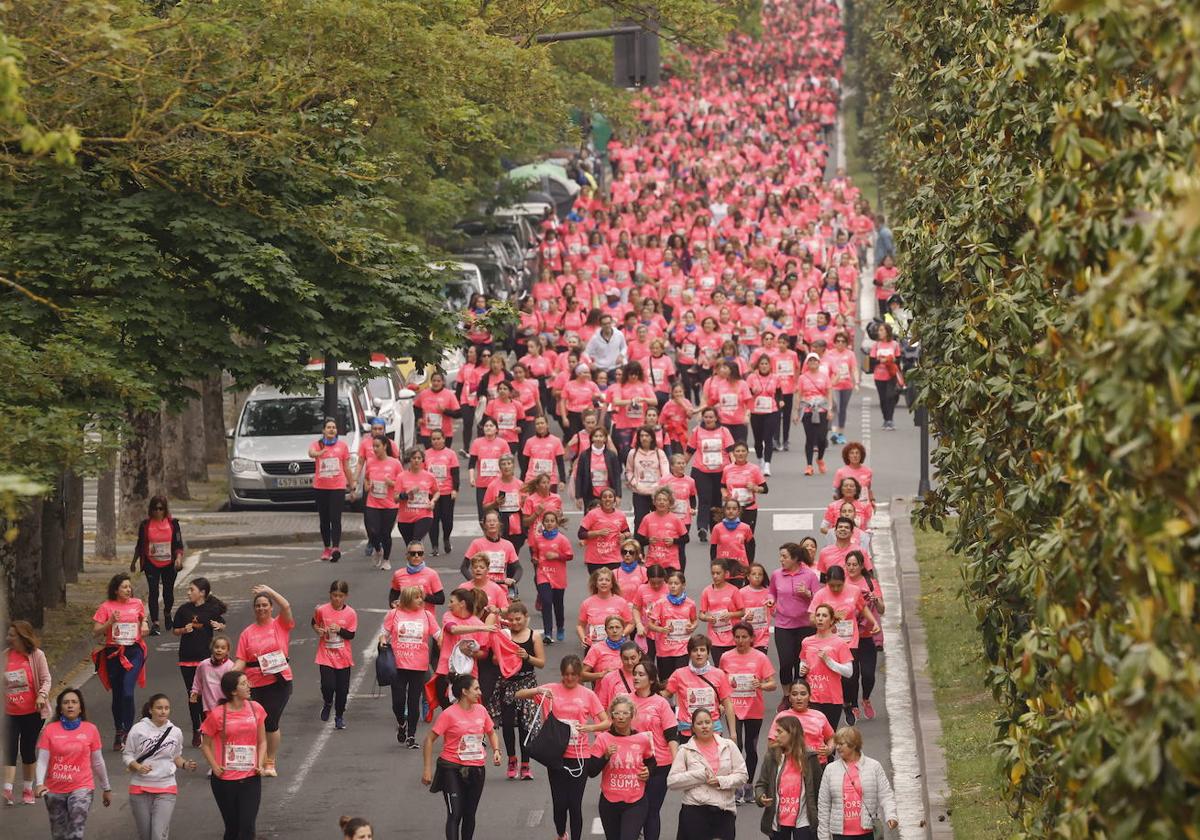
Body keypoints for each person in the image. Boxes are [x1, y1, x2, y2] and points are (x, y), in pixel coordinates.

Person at [516, 656, 610, 840]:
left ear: (579, 675)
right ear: (561, 674)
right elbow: (519, 694)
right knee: (560, 804)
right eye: (566, 675)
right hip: (556, 754)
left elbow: (606, 722)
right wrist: (538, 689)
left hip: (579, 754)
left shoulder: (587, 695)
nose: (569, 679)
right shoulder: (551, 690)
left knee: (574, 804)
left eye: (574, 675)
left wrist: (590, 728)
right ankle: (561, 833)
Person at [422, 673, 502, 840]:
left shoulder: (481, 710)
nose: (480, 692)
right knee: (455, 813)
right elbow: (429, 739)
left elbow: (491, 733)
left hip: (476, 769)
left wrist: (496, 750)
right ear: (465, 692)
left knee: (469, 814)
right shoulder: (449, 714)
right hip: (451, 768)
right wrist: (427, 769)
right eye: (476, 689)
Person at [232, 584, 294, 776]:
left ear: (271, 607)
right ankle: (255, 761)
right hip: (254, 684)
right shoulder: (247, 633)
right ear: (254, 609)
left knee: (271, 721)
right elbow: (242, 660)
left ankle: (270, 761)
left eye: (265, 605)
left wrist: (269, 590)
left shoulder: (280, 624)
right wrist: (230, 675)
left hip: (278, 682)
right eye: (258, 605)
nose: (261, 608)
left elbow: (286, 607)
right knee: (256, 723)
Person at [35, 688, 111, 839]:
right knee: (59, 834)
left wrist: (106, 787)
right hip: (54, 789)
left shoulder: (90, 729)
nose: (70, 705)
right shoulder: (50, 730)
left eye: (74, 702)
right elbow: (42, 760)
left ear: (80, 707)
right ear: (60, 708)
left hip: (82, 788)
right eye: (66, 703)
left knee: (76, 830)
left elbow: (97, 761)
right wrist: (39, 784)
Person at [199, 671, 267, 840]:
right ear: (233, 691)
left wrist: (260, 763)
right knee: (232, 828)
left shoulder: (256, 708)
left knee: (247, 827)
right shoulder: (217, 714)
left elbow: (263, 741)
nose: (249, 685)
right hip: (225, 781)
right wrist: (214, 767)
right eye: (244, 683)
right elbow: (205, 744)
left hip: (250, 777)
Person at [123, 693, 197, 840]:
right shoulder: (138, 729)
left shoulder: (175, 732)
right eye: (159, 708)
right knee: (145, 835)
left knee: (158, 835)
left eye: (166, 708)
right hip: (140, 788)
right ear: (150, 710)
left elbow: (176, 756)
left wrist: (185, 764)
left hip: (166, 787)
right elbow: (127, 755)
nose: (163, 711)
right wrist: (137, 766)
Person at [666, 707, 748, 840]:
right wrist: (700, 775)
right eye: (699, 723)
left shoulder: (728, 746)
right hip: (695, 808)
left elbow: (742, 775)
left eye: (707, 722)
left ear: (713, 724)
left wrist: (720, 781)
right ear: (692, 728)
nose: (704, 726)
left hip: (724, 808)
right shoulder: (685, 750)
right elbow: (672, 782)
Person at [721, 621, 777, 804]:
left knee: (751, 748)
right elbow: (720, 682)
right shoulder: (726, 657)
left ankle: (749, 786)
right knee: (736, 747)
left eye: (744, 637)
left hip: (754, 709)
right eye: (737, 637)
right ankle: (737, 786)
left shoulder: (760, 658)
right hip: (733, 709)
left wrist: (760, 684)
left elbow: (772, 684)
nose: (740, 640)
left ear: (752, 638)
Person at [92, 572, 149, 751]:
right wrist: (110, 622)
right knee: (117, 694)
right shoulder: (106, 606)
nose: (128, 589)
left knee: (127, 691)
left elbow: (143, 618)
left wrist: (145, 624)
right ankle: (119, 731)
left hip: (134, 651)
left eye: (129, 586)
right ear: (116, 590)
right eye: (124, 587)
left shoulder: (137, 603)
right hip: (113, 652)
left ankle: (129, 732)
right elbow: (96, 631)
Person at [488, 603, 545, 780]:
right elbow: (495, 660)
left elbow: (541, 662)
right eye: (511, 620)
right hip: (507, 685)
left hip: (528, 684)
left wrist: (526, 657)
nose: (515, 623)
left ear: (526, 617)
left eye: (518, 619)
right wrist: (505, 656)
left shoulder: (534, 636)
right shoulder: (504, 636)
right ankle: (512, 760)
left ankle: (526, 764)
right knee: (507, 724)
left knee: (525, 725)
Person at [588, 695, 656, 840]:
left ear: (632, 715)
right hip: (609, 801)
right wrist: (605, 756)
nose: (620, 717)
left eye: (625, 713)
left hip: (636, 801)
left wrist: (648, 771)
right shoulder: (603, 739)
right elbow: (591, 771)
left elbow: (652, 762)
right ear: (611, 715)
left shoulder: (642, 739)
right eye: (617, 713)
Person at [380, 585, 440, 748]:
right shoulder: (394, 614)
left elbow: (438, 636)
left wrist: (446, 651)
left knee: (414, 701)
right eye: (417, 597)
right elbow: (383, 634)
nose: (421, 600)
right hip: (398, 665)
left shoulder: (427, 615)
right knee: (398, 702)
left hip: (419, 665)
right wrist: (383, 643)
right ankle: (402, 723)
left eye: (421, 597)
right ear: (407, 599)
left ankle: (411, 736)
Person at [171, 577, 227, 747]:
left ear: (202, 593)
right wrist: (183, 630)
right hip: (187, 658)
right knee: (193, 694)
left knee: (207, 694)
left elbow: (222, 624)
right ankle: (197, 729)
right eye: (188, 590)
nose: (188, 592)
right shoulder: (183, 609)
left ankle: (207, 727)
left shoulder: (211, 609)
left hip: (205, 659)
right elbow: (174, 630)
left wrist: (219, 626)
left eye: (191, 590)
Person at [816, 727, 899, 840]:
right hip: (840, 835)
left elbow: (886, 794)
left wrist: (891, 815)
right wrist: (823, 835)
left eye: (842, 744)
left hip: (868, 833)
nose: (838, 747)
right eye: (837, 744)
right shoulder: (830, 769)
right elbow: (824, 804)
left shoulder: (874, 766)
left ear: (854, 744)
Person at [630, 661, 678, 840]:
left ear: (651, 680)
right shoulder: (626, 700)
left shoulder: (661, 703)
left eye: (641, 674)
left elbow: (672, 735)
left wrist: (677, 765)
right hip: (632, 766)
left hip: (660, 765)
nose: (636, 677)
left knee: (651, 811)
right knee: (634, 812)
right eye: (635, 674)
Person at [4, 620, 50, 806]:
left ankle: (27, 788)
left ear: (23, 637)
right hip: (10, 712)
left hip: (33, 711)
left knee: (27, 749)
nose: (8, 638)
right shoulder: (5, 656)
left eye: (12, 635)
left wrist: (41, 696)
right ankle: (7, 789)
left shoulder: (37, 655)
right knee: (10, 748)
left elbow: (46, 679)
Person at [770, 544, 821, 705]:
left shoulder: (810, 575)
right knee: (786, 662)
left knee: (801, 664)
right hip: (783, 625)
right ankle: (786, 695)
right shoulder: (777, 575)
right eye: (780, 556)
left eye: (784, 557)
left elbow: (819, 599)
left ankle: (799, 696)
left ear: (795, 559)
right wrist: (771, 600)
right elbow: (772, 592)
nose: (781, 560)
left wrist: (807, 594)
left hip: (805, 625)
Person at [753, 716, 818, 840]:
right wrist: (761, 797)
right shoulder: (771, 757)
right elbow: (761, 784)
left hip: (804, 820)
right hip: (778, 820)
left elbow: (819, 788)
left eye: (779, 731)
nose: (775, 735)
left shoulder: (810, 759)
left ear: (792, 733)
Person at [130, 495, 185, 635]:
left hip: (169, 563)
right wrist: (134, 562)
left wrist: (178, 558)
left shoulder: (173, 524)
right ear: (151, 510)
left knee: (168, 591)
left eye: (161, 508)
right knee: (153, 591)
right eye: (155, 509)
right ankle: (155, 622)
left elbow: (178, 544)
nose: (158, 512)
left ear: (165, 509)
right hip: (151, 562)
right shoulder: (145, 525)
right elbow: (140, 545)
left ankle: (167, 612)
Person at [664, 634, 736, 740]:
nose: (699, 654)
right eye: (695, 650)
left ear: (708, 653)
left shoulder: (719, 674)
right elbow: (664, 696)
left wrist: (733, 733)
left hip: (713, 731)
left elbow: (728, 705)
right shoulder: (679, 674)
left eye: (702, 650)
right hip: (687, 732)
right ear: (689, 653)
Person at [768, 682, 836, 789]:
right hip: (791, 767)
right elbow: (772, 743)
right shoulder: (782, 717)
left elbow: (832, 737)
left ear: (809, 696)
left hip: (818, 765)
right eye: (794, 694)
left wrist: (829, 749)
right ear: (789, 697)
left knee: (818, 801)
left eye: (803, 694)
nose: (799, 698)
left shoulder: (819, 716)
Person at [842, 554, 884, 723]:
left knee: (868, 674)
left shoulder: (870, 583)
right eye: (849, 564)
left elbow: (881, 609)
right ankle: (853, 705)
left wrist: (875, 600)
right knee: (851, 675)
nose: (851, 568)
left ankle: (865, 698)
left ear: (861, 566)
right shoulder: (841, 583)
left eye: (855, 565)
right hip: (847, 637)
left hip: (867, 635)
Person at [798, 605, 855, 730]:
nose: (820, 619)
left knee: (829, 737)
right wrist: (803, 669)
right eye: (818, 615)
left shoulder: (839, 643)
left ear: (832, 620)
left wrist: (828, 661)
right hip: (812, 697)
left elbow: (849, 672)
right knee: (814, 735)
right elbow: (803, 660)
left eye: (824, 616)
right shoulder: (807, 641)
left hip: (832, 698)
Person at [312, 580, 357, 730]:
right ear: (330, 595)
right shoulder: (322, 610)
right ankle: (327, 702)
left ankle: (339, 715)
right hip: (325, 655)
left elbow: (351, 635)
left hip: (343, 657)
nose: (337, 599)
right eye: (334, 595)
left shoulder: (350, 613)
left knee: (342, 690)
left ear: (346, 596)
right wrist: (317, 630)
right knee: (328, 685)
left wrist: (339, 629)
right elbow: (314, 622)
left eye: (340, 596)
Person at [687, 407, 735, 541]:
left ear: (716, 418)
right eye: (706, 417)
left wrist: (735, 468)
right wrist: (678, 469)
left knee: (716, 501)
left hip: (721, 472)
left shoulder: (724, 431)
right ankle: (702, 527)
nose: (708, 419)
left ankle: (715, 529)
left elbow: (731, 451)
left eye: (711, 417)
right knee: (704, 499)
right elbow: (689, 451)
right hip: (701, 471)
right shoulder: (697, 431)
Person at [354, 435, 402, 570]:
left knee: (385, 533)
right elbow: (367, 479)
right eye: (373, 446)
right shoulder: (370, 462)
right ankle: (378, 549)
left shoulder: (395, 463)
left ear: (385, 446)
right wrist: (367, 486)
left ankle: (386, 560)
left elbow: (401, 483)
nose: (374, 449)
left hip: (389, 504)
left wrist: (390, 483)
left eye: (377, 446)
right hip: (373, 503)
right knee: (372, 531)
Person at [309, 417, 354, 561]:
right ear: (323, 430)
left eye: (333, 427)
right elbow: (310, 453)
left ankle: (336, 547)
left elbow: (346, 467)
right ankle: (326, 547)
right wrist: (318, 454)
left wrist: (352, 483)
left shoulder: (342, 446)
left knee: (335, 518)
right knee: (324, 519)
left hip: (337, 486)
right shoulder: (318, 445)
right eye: (328, 427)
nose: (331, 430)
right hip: (321, 487)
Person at [529, 508, 573, 643]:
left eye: (552, 521)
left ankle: (560, 627)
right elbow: (535, 552)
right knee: (546, 602)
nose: (549, 523)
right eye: (547, 521)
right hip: (543, 574)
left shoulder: (562, 539)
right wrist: (535, 559)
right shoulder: (538, 538)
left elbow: (570, 555)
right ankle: (548, 633)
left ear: (556, 523)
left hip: (558, 576)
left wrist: (557, 555)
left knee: (558, 604)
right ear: (543, 523)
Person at [646, 570, 697, 682]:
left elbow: (695, 620)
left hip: (683, 649)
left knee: (682, 681)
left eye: (676, 583)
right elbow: (649, 625)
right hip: (665, 650)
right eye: (670, 583)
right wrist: (661, 629)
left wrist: (693, 627)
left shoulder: (690, 603)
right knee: (666, 682)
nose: (673, 586)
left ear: (683, 585)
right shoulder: (660, 603)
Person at [699, 558, 746, 664]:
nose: (715, 576)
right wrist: (706, 617)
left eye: (718, 573)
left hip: (732, 636)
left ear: (726, 573)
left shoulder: (734, 590)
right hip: (715, 636)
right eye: (713, 573)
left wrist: (730, 614)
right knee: (720, 667)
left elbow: (742, 612)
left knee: (733, 667)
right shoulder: (707, 591)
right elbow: (701, 614)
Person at [625, 426, 671, 530]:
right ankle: (640, 544)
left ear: (652, 438)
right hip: (639, 492)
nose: (644, 438)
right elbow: (629, 471)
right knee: (640, 521)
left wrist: (657, 486)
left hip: (657, 494)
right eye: (641, 436)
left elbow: (666, 473)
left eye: (647, 435)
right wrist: (635, 484)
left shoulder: (660, 453)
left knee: (660, 521)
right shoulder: (633, 453)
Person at [395, 446, 441, 549]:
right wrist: (407, 494)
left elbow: (437, 492)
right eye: (414, 458)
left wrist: (433, 501)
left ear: (422, 460)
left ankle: (419, 560)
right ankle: (413, 563)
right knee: (410, 547)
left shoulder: (429, 476)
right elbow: (395, 498)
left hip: (424, 515)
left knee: (415, 542)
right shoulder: (401, 477)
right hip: (405, 518)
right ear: (409, 459)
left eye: (419, 458)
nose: (416, 460)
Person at [425, 428, 461, 557]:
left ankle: (446, 538)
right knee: (433, 520)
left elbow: (455, 473)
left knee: (447, 520)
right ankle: (434, 546)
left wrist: (455, 489)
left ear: (444, 439)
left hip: (447, 492)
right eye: (433, 439)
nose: (436, 441)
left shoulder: (450, 454)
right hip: (431, 493)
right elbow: (423, 474)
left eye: (438, 438)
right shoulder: (426, 454)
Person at [796, 353, 833, 476]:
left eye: (815, 360)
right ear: (807, 363)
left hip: (821, 409)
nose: (813, 362)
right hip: (807, 409)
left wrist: (830, 409)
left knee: (822, 438)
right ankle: (809, 465)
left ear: (819, 362)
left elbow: (829, 393)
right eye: (810, 360)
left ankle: (820, 458)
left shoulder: (824, 376)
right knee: (810, 438)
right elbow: (799, 394)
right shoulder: (802, 378)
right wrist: (796, 411)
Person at [577, 567, 634, 647]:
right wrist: (583, 638)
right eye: (601, 580)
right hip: (593, 647)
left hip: (616, 646)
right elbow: (580, 625)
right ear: (596, 584)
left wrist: (622, 635)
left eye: (607, 580)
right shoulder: (587, 603)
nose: (604, 583)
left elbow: (631, 624)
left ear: (612, 584)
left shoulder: (621, 602)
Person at [468, 417, 512, 520]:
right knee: (483, 514)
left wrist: (509, 479)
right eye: (486, 426)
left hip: (499, 484)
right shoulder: (477, 443)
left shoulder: (502, 443)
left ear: (496, 429)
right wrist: (471, 478)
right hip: (482, 485)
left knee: (500, 512)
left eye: (491, 426)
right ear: (483, 428)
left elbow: (509, 463)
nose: (488, 428)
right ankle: (486, 535)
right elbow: (472, 463)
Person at [578, 487, 629, 574]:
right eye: (604, 497)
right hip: (595, 559)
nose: (607, 499)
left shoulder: (620, 515)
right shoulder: (592, 514)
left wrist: (624, 536)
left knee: (613, 585)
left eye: (610, 497)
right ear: (601, 500)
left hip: (614, 558)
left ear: (614, 500)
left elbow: (627, 532)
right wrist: (597, 533)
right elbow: (581, 534)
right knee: (597, 585)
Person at [189, 635, 235, 731]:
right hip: (209, 705)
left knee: (224, 731)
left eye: (223, 648)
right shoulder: (204, 665)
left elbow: (234, 685)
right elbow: (198, 679)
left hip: (225, 706)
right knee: (212, 732)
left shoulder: (230, 666)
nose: (219, 650)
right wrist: (195, 691)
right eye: (217, 647)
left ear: (228, 651)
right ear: (212, 648)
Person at [575, 427, 623, 510]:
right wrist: (578, 496)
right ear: (592, 438)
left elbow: (617, 476)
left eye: (601, 436)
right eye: (596, 436)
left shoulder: (612, 455)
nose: (598, 438)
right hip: (589, 494)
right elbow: (579, 476)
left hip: (607, 495)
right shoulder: (584, 455)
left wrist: (618, 495)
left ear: (605, 438)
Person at [869, 323, 904, 431]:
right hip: (879, 376)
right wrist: (881, 360)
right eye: (879, 330)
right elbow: (871, 361)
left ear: (887, 332)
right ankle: (885, 419)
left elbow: (898, 360)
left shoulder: (894, 344)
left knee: (890, 397)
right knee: (883, 399)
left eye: (881, 330)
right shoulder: (876, 345)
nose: (879, 332)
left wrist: (892, 361)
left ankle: (890, 420)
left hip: (891, 375)